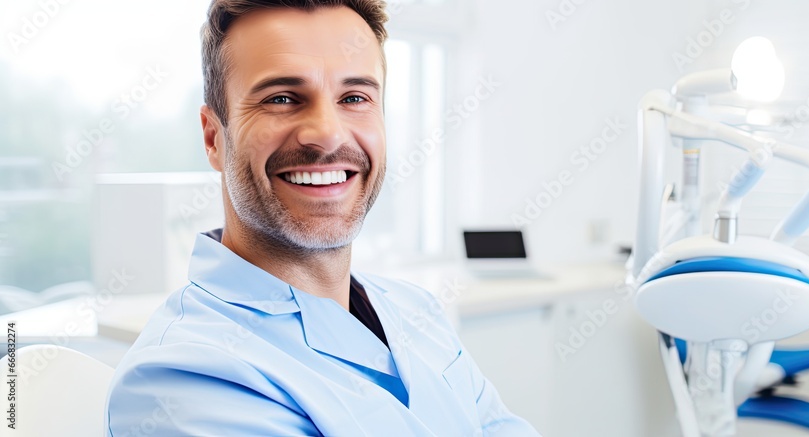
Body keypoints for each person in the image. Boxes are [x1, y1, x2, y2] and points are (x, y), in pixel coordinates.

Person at [105, 1, 539, 435]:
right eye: (281, 98)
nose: (327, 133)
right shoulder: (182, 379)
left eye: (354, 97)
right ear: (213, 137)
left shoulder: (415, 310)